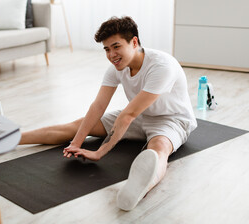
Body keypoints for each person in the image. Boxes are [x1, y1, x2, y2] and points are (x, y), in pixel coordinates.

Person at [17, 16, 197, 211]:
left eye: (116, 46)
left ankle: (136, 189)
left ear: (134, 42)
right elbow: (98, 106)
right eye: (107, 49)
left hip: (171, 119)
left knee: (158, 148)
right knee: (75, 126)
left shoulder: (162, 66)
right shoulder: (116, 68)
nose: (112, 55)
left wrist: (99, 152)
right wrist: (77, 142)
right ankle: (10, 139)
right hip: (139, 115)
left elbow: (127, 116)